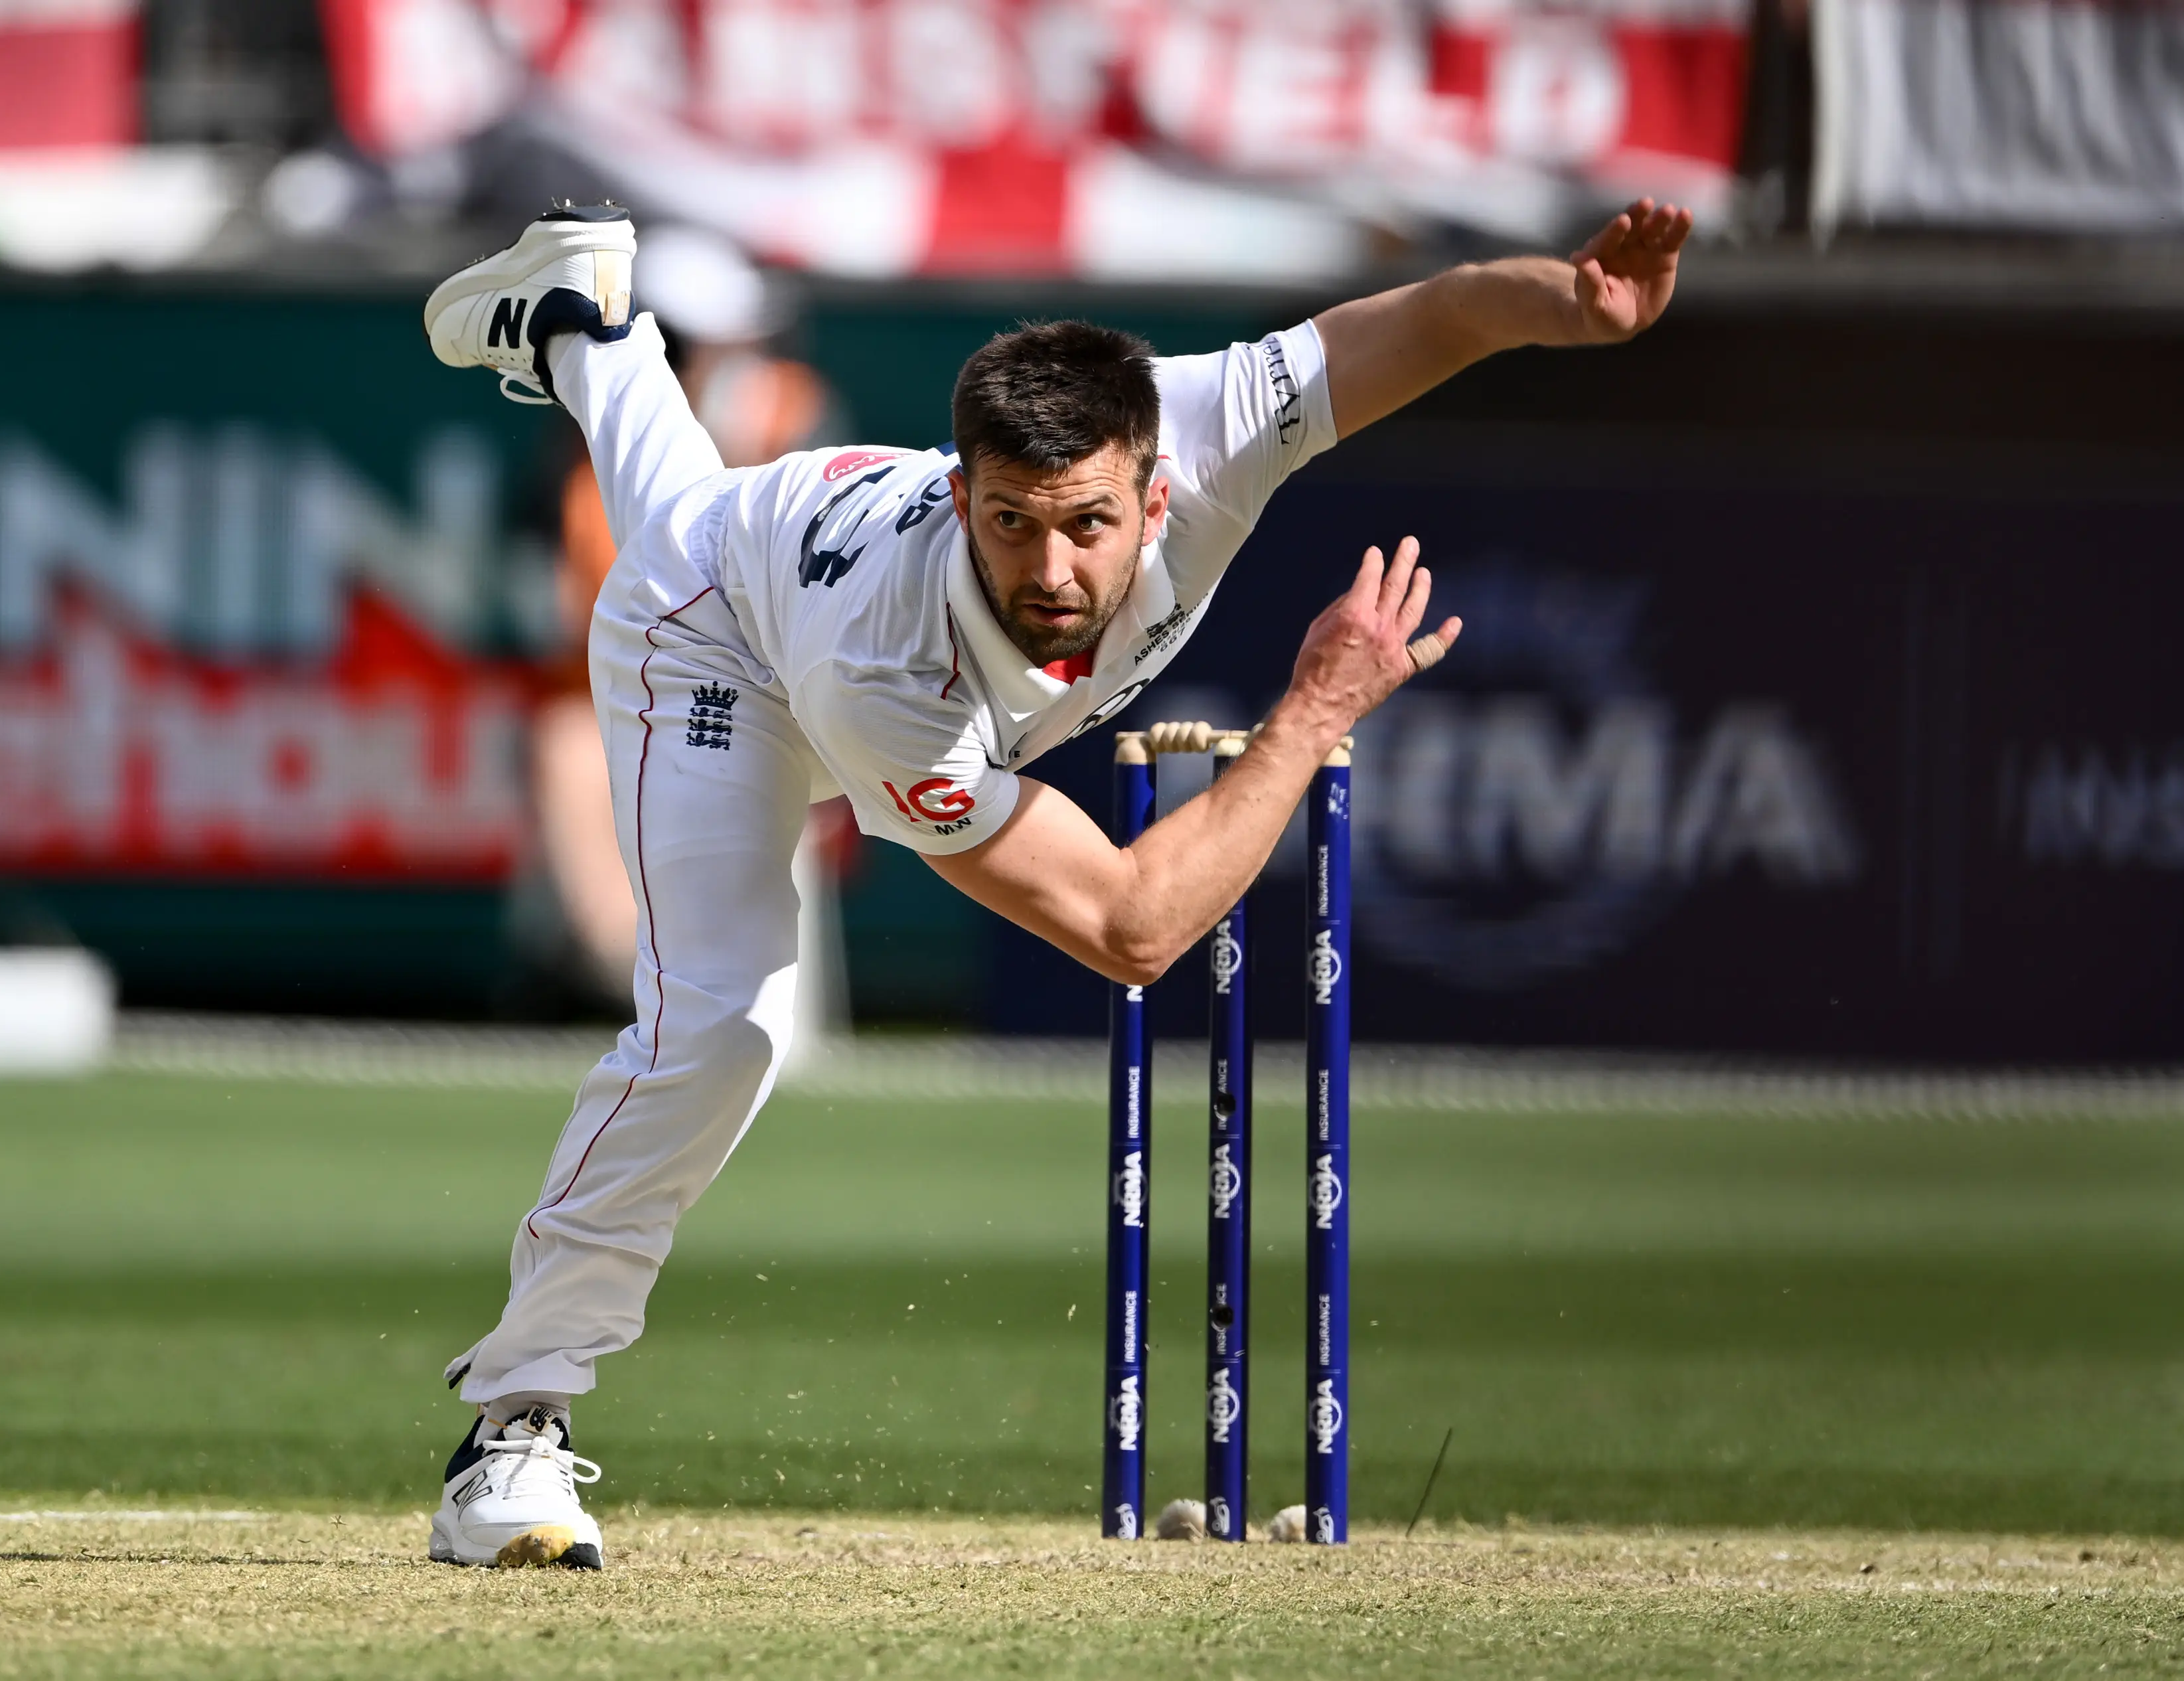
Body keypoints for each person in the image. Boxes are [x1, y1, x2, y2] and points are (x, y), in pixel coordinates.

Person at [420, 197, 1693, 1568]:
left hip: (768, 533)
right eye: (1011, 523)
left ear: (1157, 490)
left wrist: (1563, 305)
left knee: (690, 509)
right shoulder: (887, 677)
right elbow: (1127, 927)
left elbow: (1439, 315)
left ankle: (593, 326)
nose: (1050, 570)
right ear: (961, 492)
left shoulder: (1212, 425)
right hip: (722, 647)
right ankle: (512, 1429)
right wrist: (1310, 717)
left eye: (1088, 524)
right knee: (720, 1026)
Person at [529, 225, 850, 1018]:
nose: (741, 353)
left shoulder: (787, 417)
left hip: (782, 693)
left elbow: (825, 593)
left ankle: (696, 977)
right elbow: (578, 614)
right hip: (650, 686)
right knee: (568, 741)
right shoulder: (590, 447)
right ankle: (630, 965)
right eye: (716, 339)